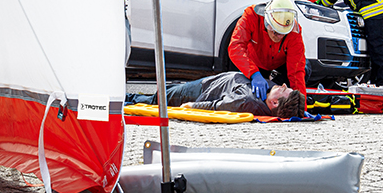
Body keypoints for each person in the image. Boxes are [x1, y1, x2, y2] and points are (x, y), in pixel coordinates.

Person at [125, 71, 306, 118]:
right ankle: (126, 99)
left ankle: (125, 102)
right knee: (163, 93)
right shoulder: (267, 96)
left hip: (200, 92)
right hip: (209, 84)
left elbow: (217, 106)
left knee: (157, 99)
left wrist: (192, 107)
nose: (281, 85)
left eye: (283, 89)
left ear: (274, 103)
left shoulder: (247, 101)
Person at [228, 0, 308, 100]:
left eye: (284, 33)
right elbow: (235, 47)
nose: (280, 37)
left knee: (305, 69)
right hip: (255, 63)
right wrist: (253, 73)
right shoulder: (251, 16)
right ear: (267, 23)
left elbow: (296, 72)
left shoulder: (294, 31)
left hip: (281, 64)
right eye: (276, 32)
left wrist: (301, 106)